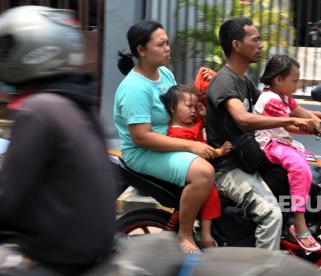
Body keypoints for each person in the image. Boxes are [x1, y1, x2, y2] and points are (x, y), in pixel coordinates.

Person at [0, 6, 115, 275]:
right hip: (91, 253)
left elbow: (7, 198)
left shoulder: (38, 109)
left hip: (57, 258)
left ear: (30, 50)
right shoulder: (81, 104)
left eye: (6, 48)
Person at [205, 17, 321, 251]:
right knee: (271, 214)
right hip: (229, 167)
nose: (261, 45)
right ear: (237, 45)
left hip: (249, 160)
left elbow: (282, 108)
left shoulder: (243, 80)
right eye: (255, 39)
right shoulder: (224, 82)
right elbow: (244, 119)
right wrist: (292, 120)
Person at [115, 20, 215, 254]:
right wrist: (191, 146)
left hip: (171, 140)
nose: (167, 48)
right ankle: (185, 233)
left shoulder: (165, 74)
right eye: (161, 44)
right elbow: (142, 137)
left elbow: (179, 105)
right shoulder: (135, 88)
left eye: (168, 43)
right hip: (144, 152)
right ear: (141, 50)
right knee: (204, 173)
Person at [255, 54, 321, 251]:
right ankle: (298, 221)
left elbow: (304, 114)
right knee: (301, 168)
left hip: (281, 141)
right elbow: (293, 125)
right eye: (294, 80)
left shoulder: (285, 96)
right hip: (268, 144)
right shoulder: (270, 100)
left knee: (315, 165)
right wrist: (316, 127)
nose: (297, 84)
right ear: (278, 79)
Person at [160, 84, 233, 247]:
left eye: (195, 106)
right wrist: (219, 152)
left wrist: (203, 113)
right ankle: (205, 232)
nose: (193, 110)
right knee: (212, 194)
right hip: (193, 171)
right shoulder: (176, 133)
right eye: (188, 106)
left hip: (204, 169)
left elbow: (202, 89)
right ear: (173, 108)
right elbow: (199, 151)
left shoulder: (194, 121)